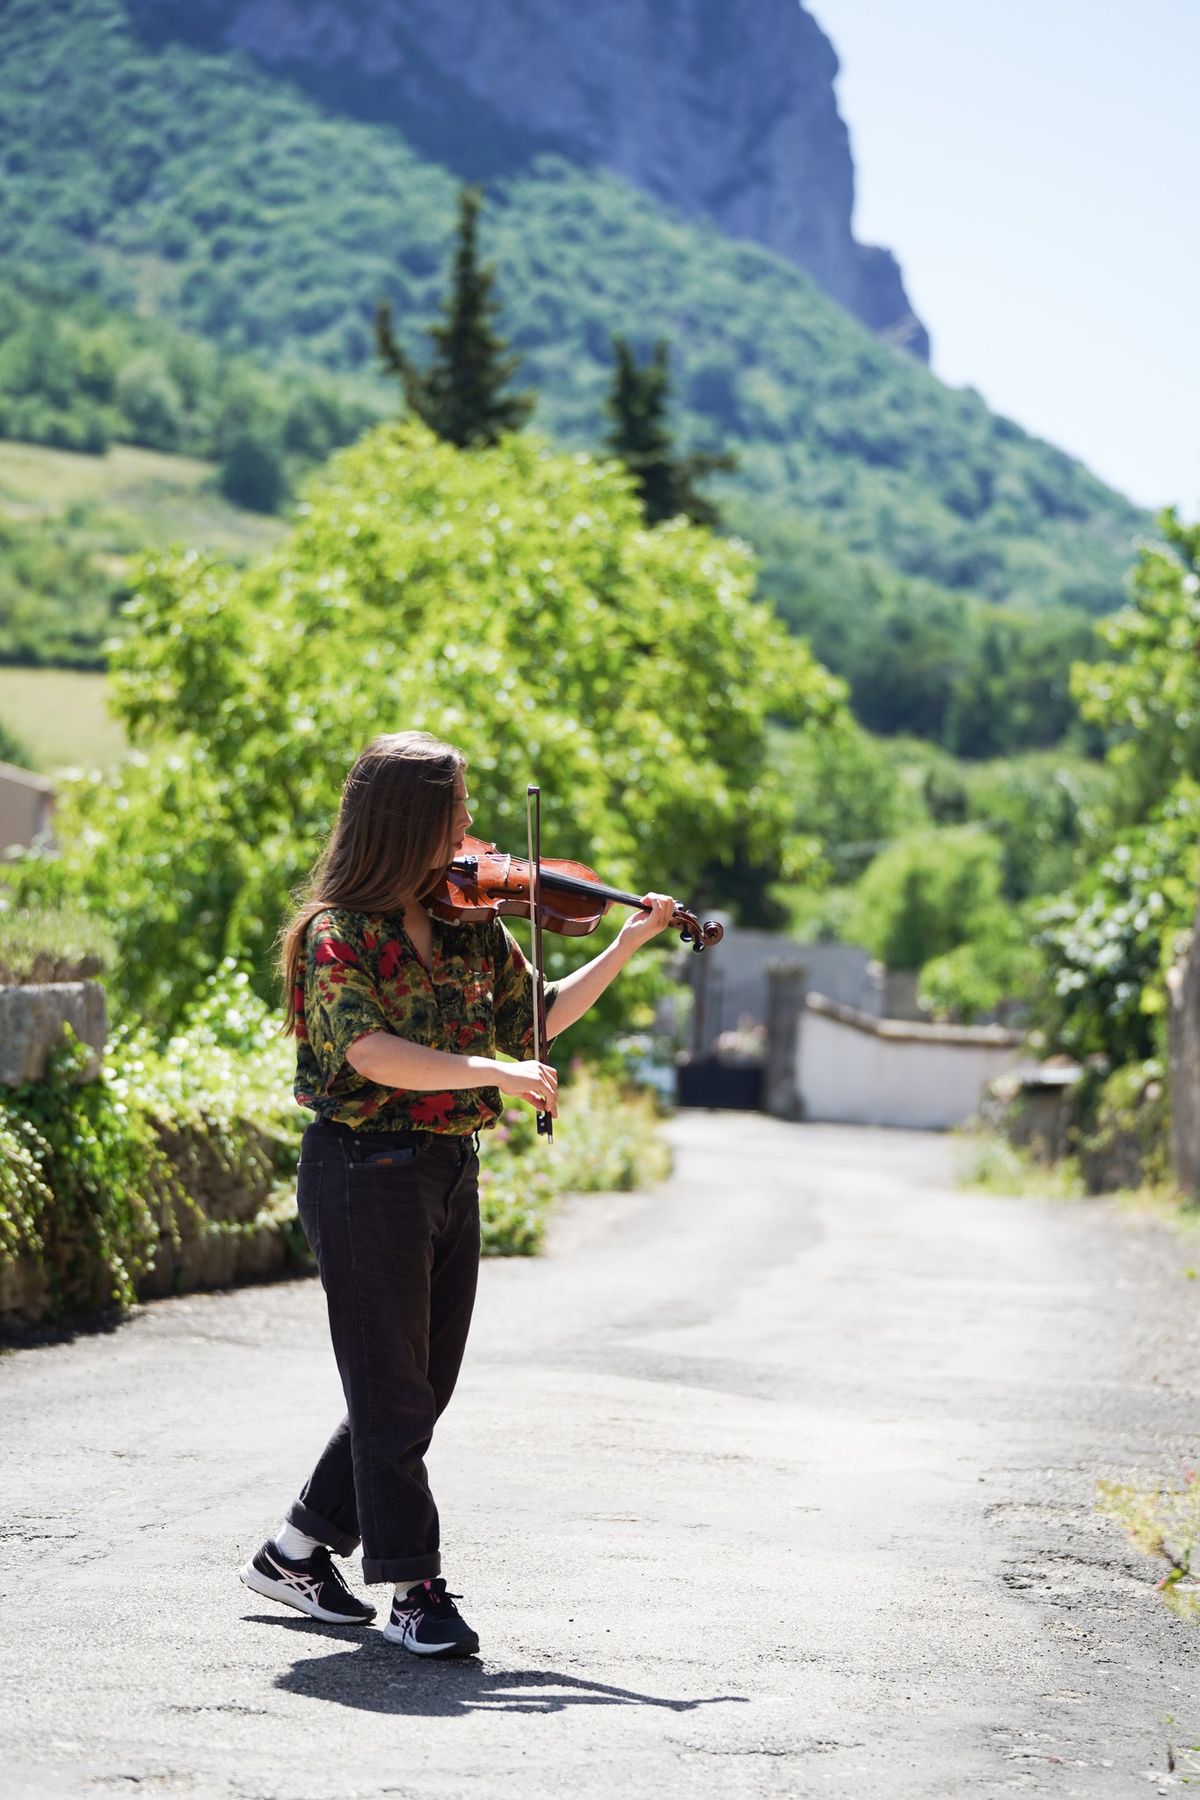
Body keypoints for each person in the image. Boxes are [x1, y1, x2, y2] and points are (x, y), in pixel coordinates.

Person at [238, 729, 678, 1658]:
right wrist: (495, 1069)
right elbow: (368, 1054)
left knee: (419, 1388)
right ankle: (413, 1589)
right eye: (456, 810)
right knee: (394, 1394)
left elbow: (538, 1019)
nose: (473, 827)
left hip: (446, 1167)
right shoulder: (337, 934)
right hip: (361, 1172)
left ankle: (293, 1551)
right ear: (407, 822)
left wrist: (630, 940)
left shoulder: (473, 925)